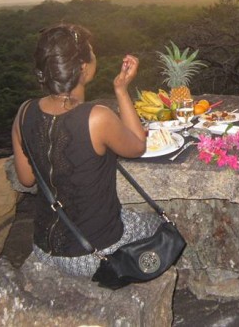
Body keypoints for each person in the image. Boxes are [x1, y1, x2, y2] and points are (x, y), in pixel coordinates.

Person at [11, 22, 160, 277]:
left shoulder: (24, 112)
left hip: (43, 249)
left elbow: (26, 179)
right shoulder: (96, 117)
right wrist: (121, 90)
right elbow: (137, 145)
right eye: (91, 53)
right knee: (158, 226)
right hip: (91, 255)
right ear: (83, 67)